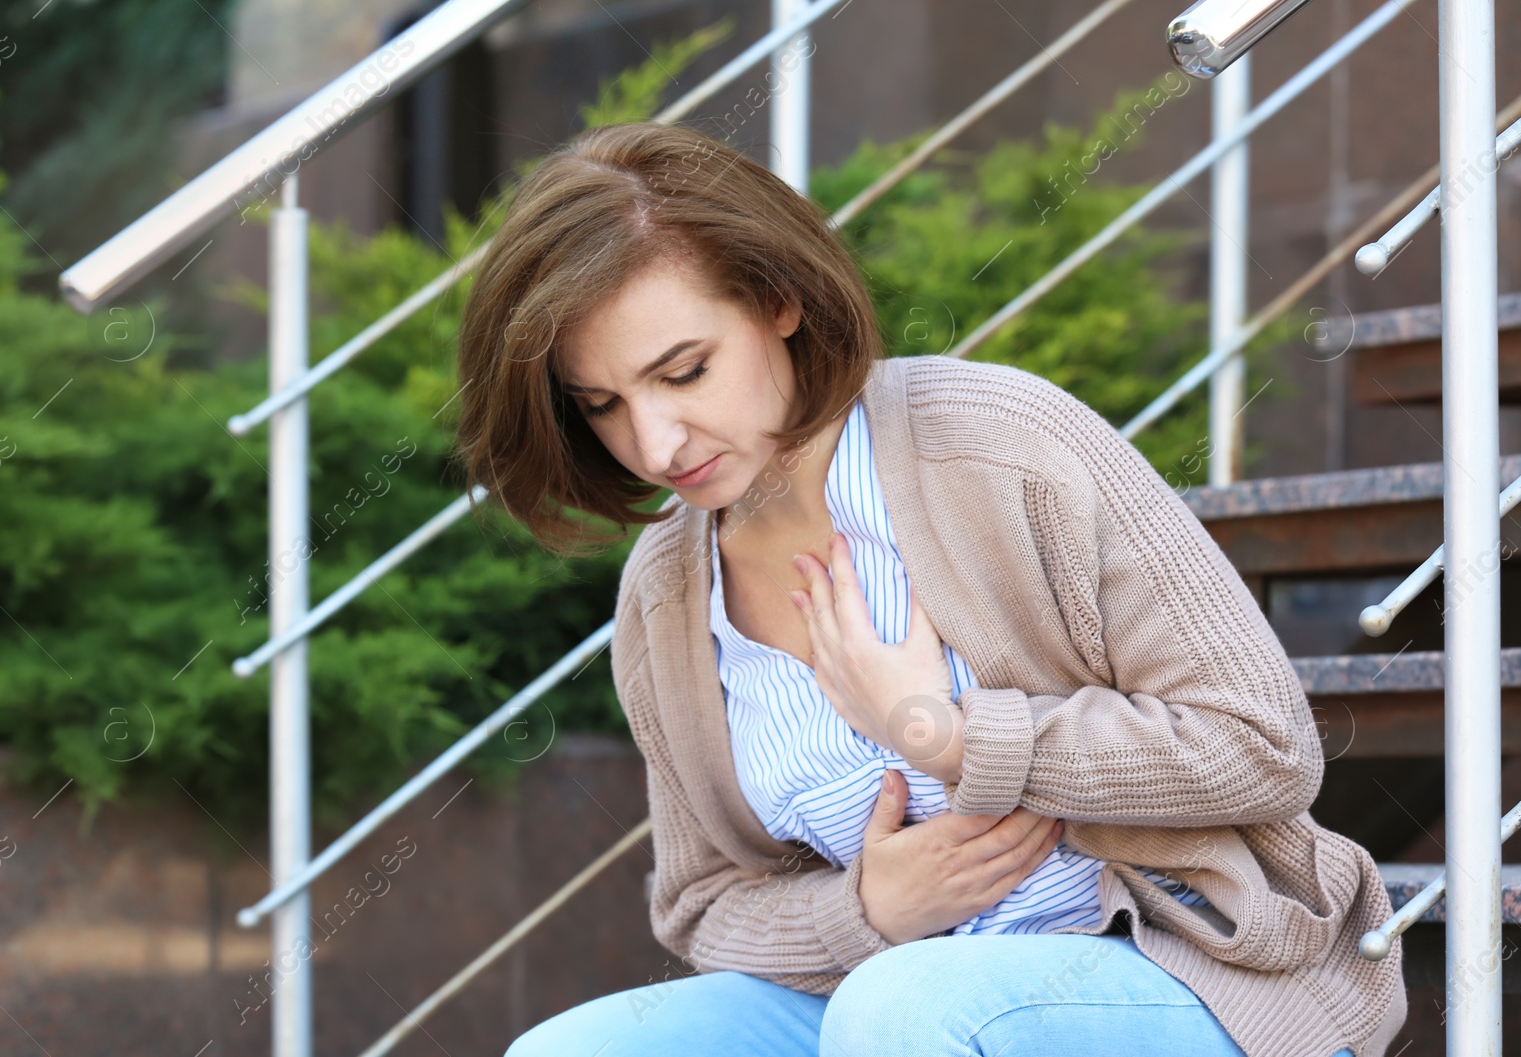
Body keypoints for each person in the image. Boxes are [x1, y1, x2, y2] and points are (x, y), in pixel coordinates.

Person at [454, 121, 1406, 1057]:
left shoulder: (999, 447)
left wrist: (946, 732)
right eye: (604, 405)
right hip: (894, 988)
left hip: (1182, 964)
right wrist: (863, 909)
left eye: (685, 371)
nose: (656, 443)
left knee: (901, 1012)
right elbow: (701, 901)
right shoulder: (665, 595)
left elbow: (1264, 744)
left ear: (779, 300)